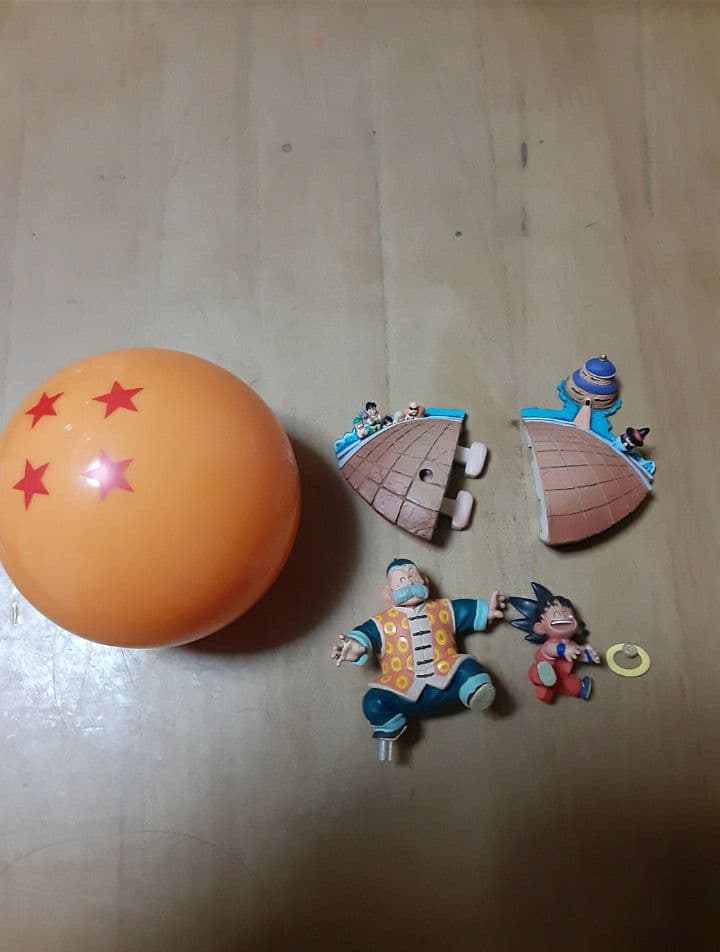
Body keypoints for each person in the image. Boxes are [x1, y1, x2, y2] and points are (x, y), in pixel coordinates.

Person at [332, 558, 506, 742]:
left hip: (448, 680)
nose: (408, 583)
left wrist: (486, 612)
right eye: (401, 580)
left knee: (469, 668)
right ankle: (390, 724)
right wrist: (356, 647)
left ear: (425, 581)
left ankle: (474, 692)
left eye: (412, 578)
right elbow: (366, 634)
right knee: (372, 701)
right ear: (387, 593)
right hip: (402, 690)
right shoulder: (381, 622)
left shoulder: (443, 608)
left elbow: (465, 611)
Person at [507, 582, 600, 704]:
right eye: (555, 614)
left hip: (561, 676)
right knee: (536, 671)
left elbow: (577, 655)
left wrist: (589, 656)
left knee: (567, 684)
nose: (562, 616)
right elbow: (550, 649)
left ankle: (580, 689)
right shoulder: (550, 643)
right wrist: (564, 650)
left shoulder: (572, 645)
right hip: (545, 665)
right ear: (540, 628)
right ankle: (542, 678)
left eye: (567, 613)